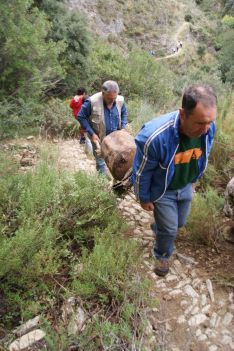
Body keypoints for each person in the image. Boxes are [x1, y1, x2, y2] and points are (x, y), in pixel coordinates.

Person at [132, 85, 217, 277]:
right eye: (200, 123)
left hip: (186, 185)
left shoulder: (208, 128)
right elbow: (141, 172)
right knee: (171, 229)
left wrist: (195, 180)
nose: (205, 130)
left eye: (210, 122)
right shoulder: (154, 137)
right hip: (163, 190)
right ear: (183, 114)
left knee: (179, 223)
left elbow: (203, 155)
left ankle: (159, 228)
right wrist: (143, 198)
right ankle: (161, 253)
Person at [77, 80, 128, 175]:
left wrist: (124, 126)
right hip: (98, 137)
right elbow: (81, 116)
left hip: (116, 138)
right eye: (109, 99)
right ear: (103, 93)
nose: (112, 101)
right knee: (100, 161)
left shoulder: (120, 100)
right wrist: (91, 133)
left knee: (117, 159)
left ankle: (115, 180)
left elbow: (124, 112)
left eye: (114, 98)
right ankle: (103, 184)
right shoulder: (92, 101)